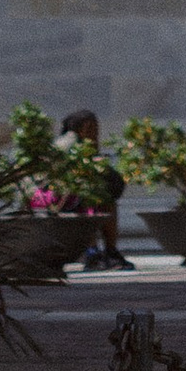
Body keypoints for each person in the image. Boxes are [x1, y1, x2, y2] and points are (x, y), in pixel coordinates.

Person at [62, 108, 126, 271]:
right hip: (64, 199)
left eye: (96, 129)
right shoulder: (68, 145)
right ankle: (91, 252)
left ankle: (110, 250)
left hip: (81, 195)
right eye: (90, 129)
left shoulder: (91, 150)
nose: (94, 134)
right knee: (88, 202)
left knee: (107, 202)